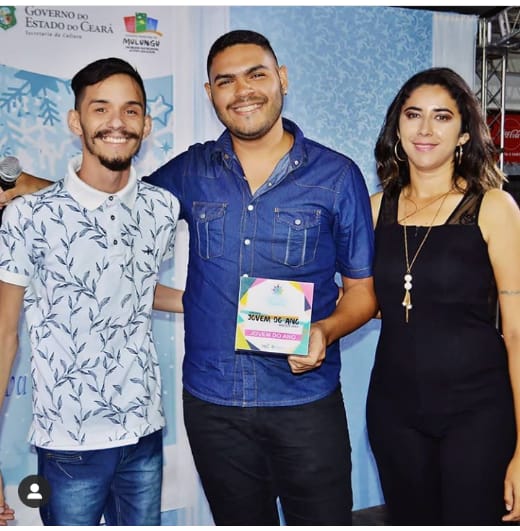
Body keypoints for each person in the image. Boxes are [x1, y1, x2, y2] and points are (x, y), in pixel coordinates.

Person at [1, 31, 377, 525]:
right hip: (213, 407)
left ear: (282, 79)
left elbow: (362, 295)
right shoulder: (190, 171)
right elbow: (108, 207)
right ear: (209, 93)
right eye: (226, 81)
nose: (242, 90)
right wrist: (30, 186)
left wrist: (325, 330)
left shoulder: (337, 176)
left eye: (256, 74)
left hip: (303, 402)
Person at [0, 57, 183, 525]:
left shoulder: (162, 208)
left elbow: (134, 287)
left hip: (144, 431)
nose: (116, 122)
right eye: (100, 109)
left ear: (146, 124)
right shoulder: (29, 216)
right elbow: (4, 335)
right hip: (69, 442)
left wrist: (206, 304)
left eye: (130, 110)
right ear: (75, 121)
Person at [366, 66, 520, 525]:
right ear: (397, 127)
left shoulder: (493, 207)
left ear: (463, 134)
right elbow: (361, 301)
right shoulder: (374, 210)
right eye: (413, 115)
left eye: (442, 117)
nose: (426, 129)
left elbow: (517, 333)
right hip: (394, 412)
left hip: (478, 412)